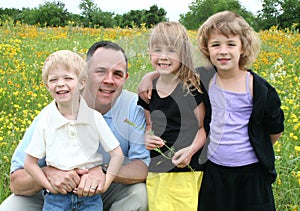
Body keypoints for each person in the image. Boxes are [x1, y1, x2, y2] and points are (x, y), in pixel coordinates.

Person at [0, 41, 150, 211]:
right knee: (10, 208)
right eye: (100, 71)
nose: (109, 80)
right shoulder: (51, 113)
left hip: (101, 191)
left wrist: (101, 171)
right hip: (54, 193)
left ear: (126, 78)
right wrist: (49, 173)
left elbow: (143, 167)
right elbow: (17, 181)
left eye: (117, 74)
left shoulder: (133, 106)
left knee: (139, 195)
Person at [196, 11, 284, 210]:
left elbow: (275, 130)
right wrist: (148, 79)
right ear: (207, 49)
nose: (223, 51)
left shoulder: (259, 89)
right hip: (215, 172)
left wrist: (257, 146)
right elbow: (171, 75)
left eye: (231, 44)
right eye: (215, 45)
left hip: (252, 175)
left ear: (243, 47)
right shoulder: (204, 79)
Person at [23, 50, 124, 210]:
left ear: (82, 82)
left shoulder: (94, 118)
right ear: (47, 85)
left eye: (68, 78)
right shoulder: (45, 119)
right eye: (53, 79)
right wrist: (48, 185)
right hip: (56, 199)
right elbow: (29, 163)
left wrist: (105, 183)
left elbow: (117, 154)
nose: (60, 84)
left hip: (89, 197)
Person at [137, 21, 210, 210]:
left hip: (185, 169)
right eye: (157, 50)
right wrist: (148, 137)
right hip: (157, 168)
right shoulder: (148, 90)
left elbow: (203, 128)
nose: (163, 56)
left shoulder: (191, 88)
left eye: (171, 50)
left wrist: (191, 150)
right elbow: (149, 125)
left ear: (183, 54)